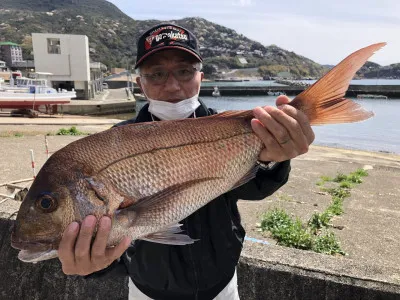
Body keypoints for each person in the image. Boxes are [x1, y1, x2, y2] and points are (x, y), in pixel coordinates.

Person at [58, 23, 315, 299]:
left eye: (184, 71)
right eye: (156, 74)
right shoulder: (114, 145)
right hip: (148, 291)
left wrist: (273, 160)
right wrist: (93, 264)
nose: (172, 85)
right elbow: (114, 232)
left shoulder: (231, 127)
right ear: (140, 84)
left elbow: (251, 188)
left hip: (222, 287)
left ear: (200, 77)